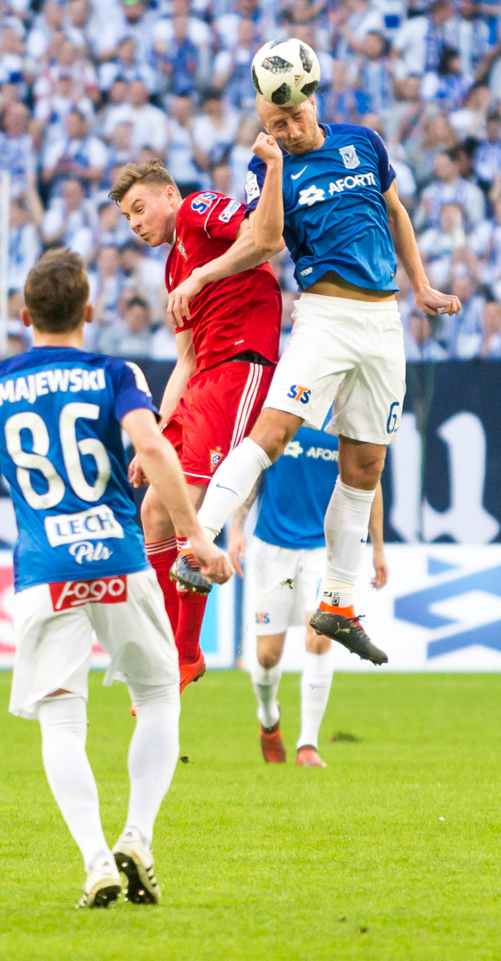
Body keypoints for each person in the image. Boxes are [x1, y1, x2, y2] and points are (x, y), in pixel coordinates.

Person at [0, 251, 232, 909]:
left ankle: (96, 862)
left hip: (45, 567)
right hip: (117, 555)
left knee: (61, 721)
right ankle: (137, 837)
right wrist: (194, 534)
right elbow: (151, 445)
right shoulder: (113, 371)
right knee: (158, 692)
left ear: (24, 315)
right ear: (89, 311)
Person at [166, 85, 460, 666]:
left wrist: (421, 285)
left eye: (294, 117)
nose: (288, 130)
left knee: (367, 465)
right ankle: (198, 546)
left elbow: (395, 212)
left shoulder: (363, 143)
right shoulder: (267, 165)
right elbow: (265, 241)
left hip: (384, 319)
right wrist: (202, 275)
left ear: (314, 103)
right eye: (275, 124)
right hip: (324, 317)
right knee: (272, 435)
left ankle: (338, 604)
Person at [109, 158, 280, 691]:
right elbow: (184, 360)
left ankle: (181, 656)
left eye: (140, 207)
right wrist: (153, 438)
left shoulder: (199, 210)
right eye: (126, 217)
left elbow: (262, 238)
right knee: (155, 507)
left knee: (196, 506)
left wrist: (205, 273)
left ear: (168, 195)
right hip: (204, 377)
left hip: (240, 364)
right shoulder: (170, 270)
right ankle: (173, 649)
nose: (135, 223)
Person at [227, 425, 388, 767]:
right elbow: (253, 470)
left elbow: (369, 482)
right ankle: (269, 718)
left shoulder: (347, 415)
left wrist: (378, 548)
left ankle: (307, 745)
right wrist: (237, 529)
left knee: (321, 638)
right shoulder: (285, 408)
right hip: (271, 547)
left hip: (324, 549)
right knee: (268, 656)